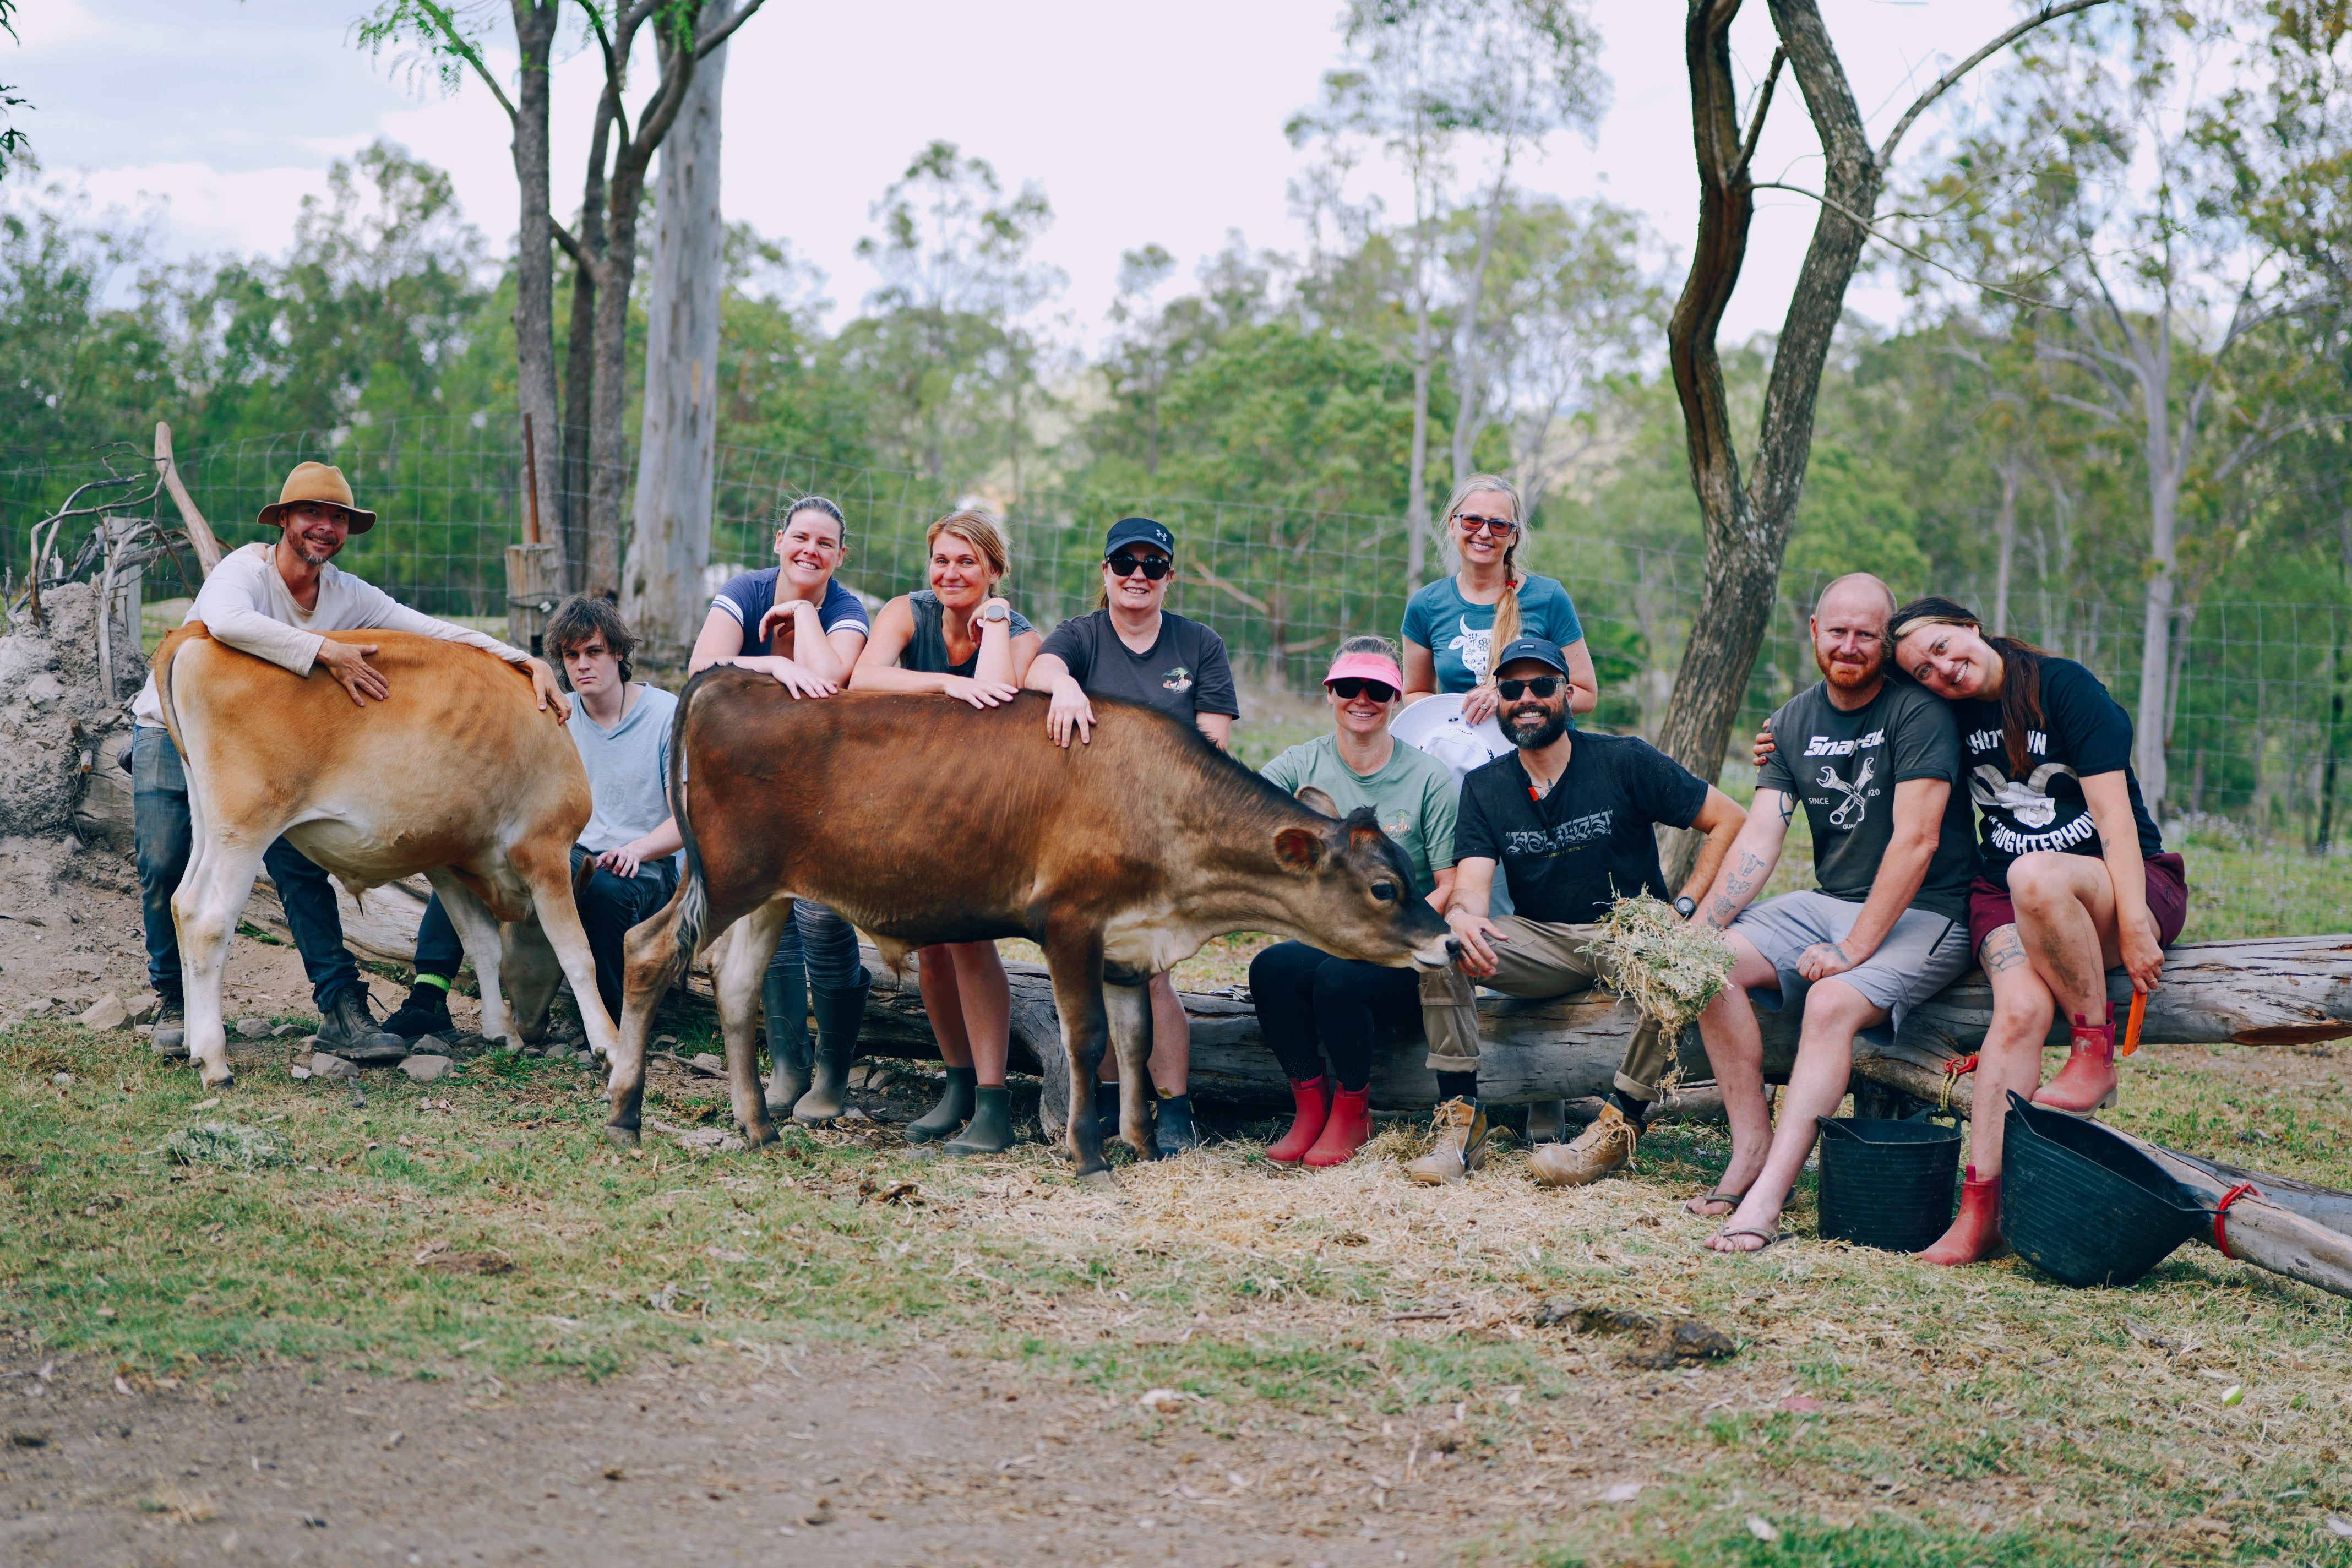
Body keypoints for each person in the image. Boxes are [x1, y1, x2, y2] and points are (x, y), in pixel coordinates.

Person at [130, 461, 568, 1061]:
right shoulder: (244, 572)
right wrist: (325, 650)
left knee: (300, 870)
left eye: (338, 519)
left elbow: (433, 631)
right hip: (169, 726)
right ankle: (175, 1000)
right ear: (283, 520)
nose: (325, 527)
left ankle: (339, 1004)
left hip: (268, 755)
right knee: (163, 861)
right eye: (312, 513)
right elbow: (225, 622)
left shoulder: (347, 593)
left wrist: (524, 659)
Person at [1655, 575, 1980, 1255]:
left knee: (1831, 1002)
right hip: (1831, 903)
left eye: (1867, 634)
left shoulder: (1919, 711)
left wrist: (1853, 947)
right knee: (1708, 962)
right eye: (1838, 631)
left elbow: (1917, 841)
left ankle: (1768, 1201)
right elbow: (1761, 836)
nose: (1850, 646)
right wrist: (1699, 929)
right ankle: (1751, 1147)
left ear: (1886, 641)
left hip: (1930, 911)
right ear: (1813, 631)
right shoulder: (1792, 722)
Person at [1888, 596, 2188, 1266]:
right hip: (2006, 897)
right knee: (2019, 1009)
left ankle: (2093, 1051)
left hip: (2121, 881)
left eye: (1941, 648)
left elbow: (2114, 819)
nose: (1941, 671)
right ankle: (1983, 1210)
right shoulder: (1944, 716)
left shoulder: (2064, 688)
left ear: (1969, 626)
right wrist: (1778, 741)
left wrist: (2134, 923)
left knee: (2037, 874)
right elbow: (1864, 724)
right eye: (1923, 671)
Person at [1418, 636, 1745, 1186]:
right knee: (1442, 948)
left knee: (1681, 962)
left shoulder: (1624, 760)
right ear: (1498, 700)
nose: (1527, 698)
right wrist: (1463, 916)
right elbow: (1471, 884)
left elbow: (1729, 818)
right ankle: (1461, 1127)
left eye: (1542, 685)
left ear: (1568, 694)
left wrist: (1688, 907)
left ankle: (1618, 1126)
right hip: (1543, 941)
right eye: (1512, 689)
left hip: (1629, 934)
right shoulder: (1485, 786)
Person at [1025, 515, 1239, 1153]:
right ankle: (1118, 1102)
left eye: (1153, 566)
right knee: (1092, 966)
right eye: (1126, 564)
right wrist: (1065, 683)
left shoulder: (1199, 644)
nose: (1138, 576)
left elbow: (1213, 747)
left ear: (1170, 576)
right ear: (1107, 572)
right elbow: (1036, 672)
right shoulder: (1080, 635)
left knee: (1149, 970)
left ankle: (1174, 1108)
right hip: (1087, 831)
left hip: (1169, 828)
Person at [386, 596, 683, 1044]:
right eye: (571, 655)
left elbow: (688, 818)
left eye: (594, 652)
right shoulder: (554, 713)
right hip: (565, 853)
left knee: (606, 888)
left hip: (646, 863)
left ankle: (614, 1020)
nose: (583, 665)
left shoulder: (665, 713)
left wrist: (637, 850)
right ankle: (427, 998)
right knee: (466, 861)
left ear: (619, 652)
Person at [850, 508, 1043, 1155]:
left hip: (983, 807)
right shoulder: (907, 613)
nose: (950, 572)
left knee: (969, 940)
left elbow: (996, 704)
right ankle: (956, 1085)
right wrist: (943, 685)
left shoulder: (1021, 636)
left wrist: (995, 623)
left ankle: (993, 1103)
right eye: (941, 559)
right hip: (914, 799)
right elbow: (863, 679)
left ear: (994, 570)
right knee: (928, 945)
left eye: (967, 561)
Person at [691, 496, 874, 1124]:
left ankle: (833, 1074)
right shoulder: (745, 591)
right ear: (779, 541)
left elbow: (831, 683)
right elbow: (701, 667)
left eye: (825, 544)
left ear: (840, 556)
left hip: (826, 785)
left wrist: (803, 613)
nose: (810, 551)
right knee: (766, 917)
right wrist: (770, 661)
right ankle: (789, 1066)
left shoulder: (847, 610)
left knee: (822, 915)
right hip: (755, 782)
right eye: (800, 538)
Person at [1249, 638, 1459, 1167]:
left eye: (1378, 690)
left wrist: (1384, 931)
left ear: (1396, 699)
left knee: (1337, 980)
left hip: (1404, 941)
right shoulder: (1301, 764)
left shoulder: (1429, 778)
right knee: (1270, 969)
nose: (1361, 699)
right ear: (1329, 693)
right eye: (1348, 687)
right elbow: (1246, 816)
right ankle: (1310, 1106)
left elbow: (1451, 882)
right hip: (1333, 935)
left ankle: (1353, 1111)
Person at [1401, 473, 1597, 727]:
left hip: (1539, 749)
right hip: (1463, 748)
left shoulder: (1549, 597)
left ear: (1513, 536)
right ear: (1453, 525)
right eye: (1472, 521)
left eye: (1499, 525)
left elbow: (1586, 694)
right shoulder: (1426, 604)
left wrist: (1508, 699)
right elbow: (1415, 692)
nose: (1484, 533)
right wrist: (1460, 719)